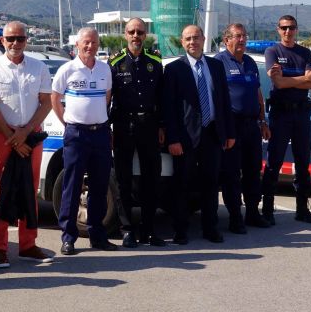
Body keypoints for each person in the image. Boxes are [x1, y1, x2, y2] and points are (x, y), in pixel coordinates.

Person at [0, 21, 54, 267]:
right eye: (10, 39)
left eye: (20, 39)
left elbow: (46, 103)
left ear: (26, 40)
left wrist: (25, 133)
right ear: (2, 41)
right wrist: (13, 137)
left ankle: (28, 245)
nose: (15, 43)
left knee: (29, 190)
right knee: (1, 191)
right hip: (4, 137)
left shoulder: (39, 67)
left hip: (31, 137)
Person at [163, 25, 235, 244]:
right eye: (187, 39)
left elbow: (224, 101)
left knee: (211, 184)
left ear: (204, 39)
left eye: (196, 37)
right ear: (182, 43)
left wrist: (228, 132)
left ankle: (210, 228)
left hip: (212, 134)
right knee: (182, 184)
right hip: (185, 137)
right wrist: (173, 138)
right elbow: (169, 108)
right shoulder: (175, 69)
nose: (192, 42)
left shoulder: (216, 66)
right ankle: (180, 230)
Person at [52, 27, 116, 255]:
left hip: (100, 133)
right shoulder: (67, 69)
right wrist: (68, 123)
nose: (91, 47)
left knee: (100, 185)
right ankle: (68, 237)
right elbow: (55, 98)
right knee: (72, 185)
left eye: (94, 43)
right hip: (76, 134)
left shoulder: (104, 69)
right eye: (86, 43)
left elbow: (106, 98)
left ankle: (97, 235)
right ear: (77, 45)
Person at [108, 18, 167, 248]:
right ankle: (127, 230)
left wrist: (162, 126)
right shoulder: (115, 62)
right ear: (125, 35)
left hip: (149, 126)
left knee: (151, 179)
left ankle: (149, 231)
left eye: (140, 32)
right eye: (132, 32)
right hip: (123, 126)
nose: (136, 36)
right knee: (122, 180)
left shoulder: (155, 61)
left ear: (146, 34)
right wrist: (108, 128)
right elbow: (108, 99)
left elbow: (161, 97)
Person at [262, 15, 311, 225]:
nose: (288, 32)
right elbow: (278, 83)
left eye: (292, 28)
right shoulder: (272, 52)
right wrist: (303, 79)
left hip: (301, 115)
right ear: (278, 30)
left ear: (296, 29)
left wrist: (292, 80)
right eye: (284, 28)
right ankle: (267, 209)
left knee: (303, 162)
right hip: (281, 114)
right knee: (274, 162)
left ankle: (302, 209)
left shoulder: (304, 52)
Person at [215, 23, 271, 233]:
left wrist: (262, 120)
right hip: (232, 126)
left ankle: (253, 213)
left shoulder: (249, 62)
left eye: (244, 36)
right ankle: (235, 217)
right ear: (226, 39)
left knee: (252, 171)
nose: (242, 40)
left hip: (251, 126)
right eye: (237, 36)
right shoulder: (218, 62)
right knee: (231, 174)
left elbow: (257, 94)